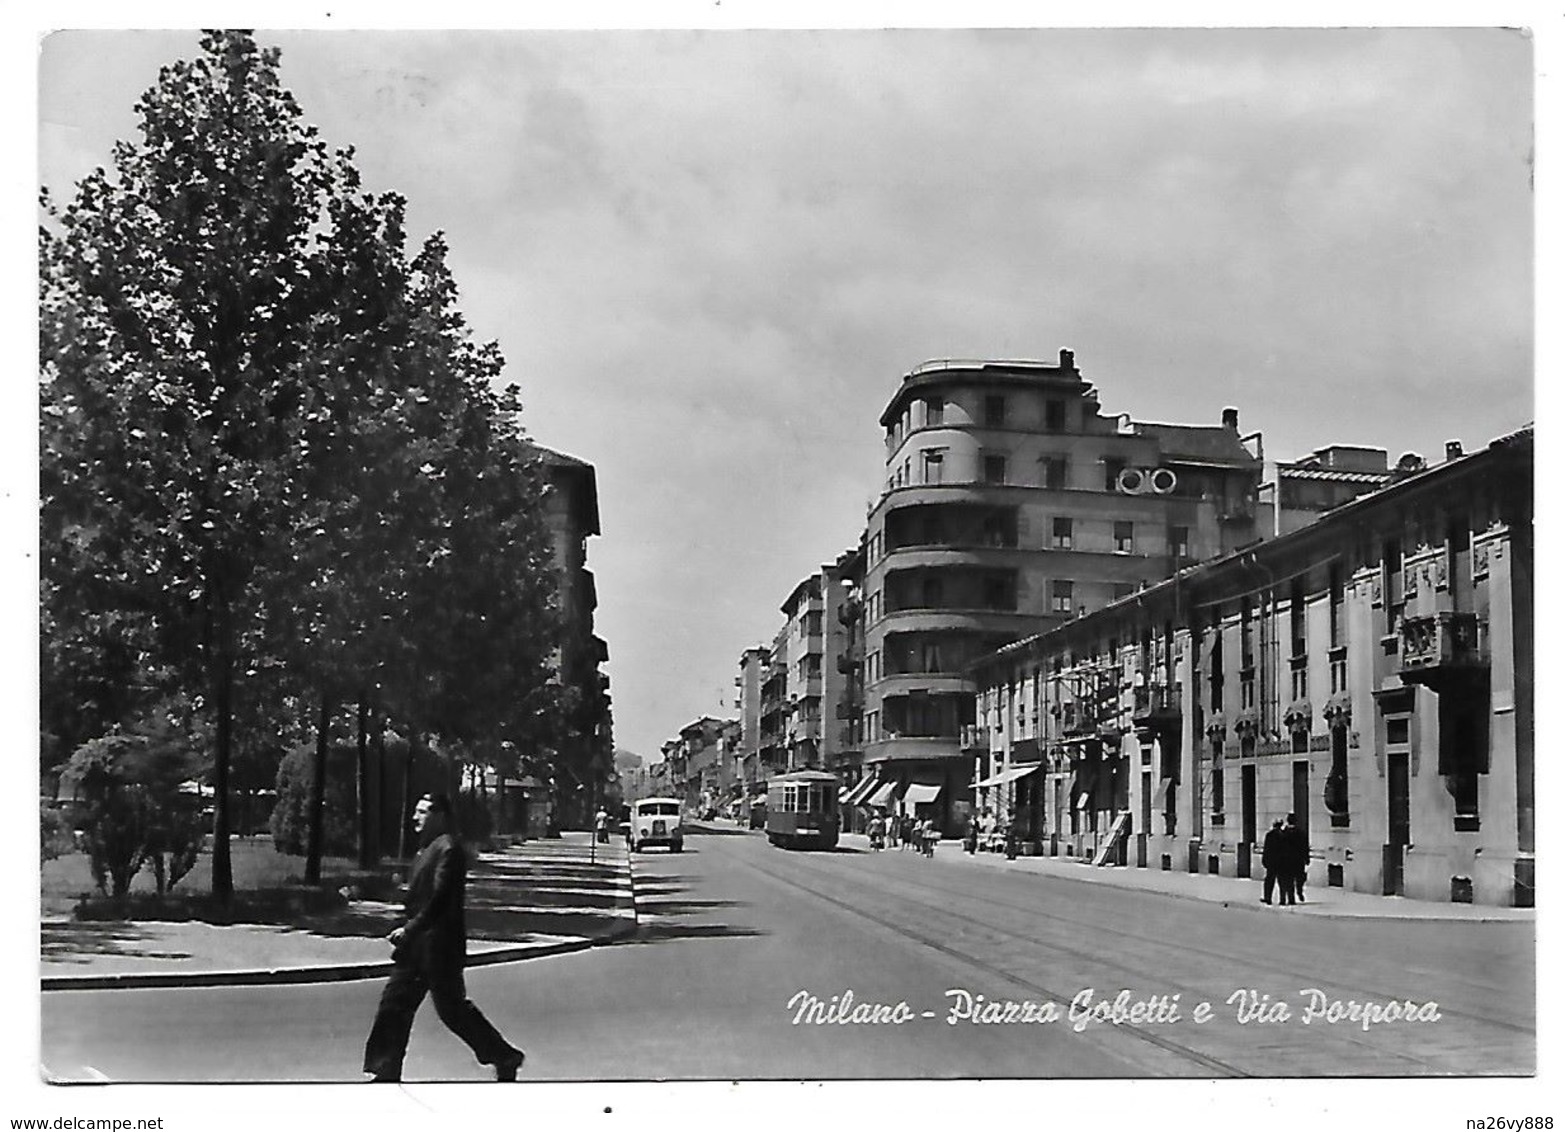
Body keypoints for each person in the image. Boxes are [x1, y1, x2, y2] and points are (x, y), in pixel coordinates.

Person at [363, 793, 526, 1083]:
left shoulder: (449, 849)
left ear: (440, 816)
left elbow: (440, 899)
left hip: (439, 947)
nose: (415, 817)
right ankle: (386, 1068)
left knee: (452, 1011)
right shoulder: (428, 848)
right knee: (394, 1002)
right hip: (418, 947)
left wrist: (409, 929)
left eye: (422, 811)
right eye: (416, 810)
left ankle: (504, 1055)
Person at [1285, 813, 1308, 903]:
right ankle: (1299, 891)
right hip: (1298, 859)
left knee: (1289, 879)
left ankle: (1291, 898)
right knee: (1299, 877)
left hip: (1287, 860)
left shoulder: (1284, 833)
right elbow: (1304, 846)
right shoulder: (1301, 833)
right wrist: (1306, 858)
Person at [1260, 819, 1284, 904]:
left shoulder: (1269, 835)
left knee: (1269, 881)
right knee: (1281, 881)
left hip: (1272, 862)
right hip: (1281, 861)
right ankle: (1282, 899)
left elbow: (1266, 849)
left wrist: (1264, 860)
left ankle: (1268, 898)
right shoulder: (1283, 835)